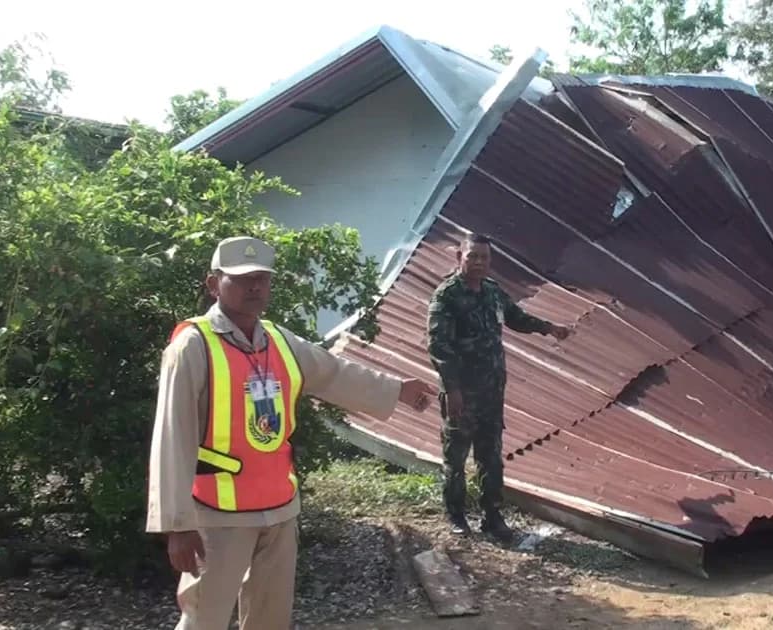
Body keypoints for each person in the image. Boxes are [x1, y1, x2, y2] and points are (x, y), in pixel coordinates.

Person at [147, 236, 435, 630]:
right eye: (242, 278)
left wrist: (397, 389)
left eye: (262, 279)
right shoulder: (193, 346)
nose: (254, 287)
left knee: (270, 617)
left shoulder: (279, 341)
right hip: (218, 515)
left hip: (279, 507)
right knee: (204, 617)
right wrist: (176, 525)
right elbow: (171, 438)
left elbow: (334, 374)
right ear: (214, 284)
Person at [426, 233, 572, 540]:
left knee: (490, 456)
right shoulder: (446, 297)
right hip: (462, 395)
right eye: (473, 256)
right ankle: (457, 517)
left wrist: (548, 328)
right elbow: (439, 347)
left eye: (484, 258)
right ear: (459, 257)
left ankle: (492, 517)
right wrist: (452, 390)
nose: (479, 262)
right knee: (456, 457)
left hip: (491, 393)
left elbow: (515, 318)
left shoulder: (492, 292)